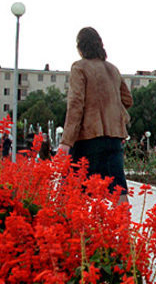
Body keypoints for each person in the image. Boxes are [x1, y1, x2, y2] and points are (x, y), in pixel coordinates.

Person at [58, 27, 133, 205]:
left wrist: (66, 141)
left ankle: (68, 229)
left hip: (88, 137)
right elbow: (128, 100)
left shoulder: (79, 67)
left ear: (80, 47)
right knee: (118, 187)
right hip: (114, 137)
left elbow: (76, 105)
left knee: (71, 187)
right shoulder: (112, 69)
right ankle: (124, 230)